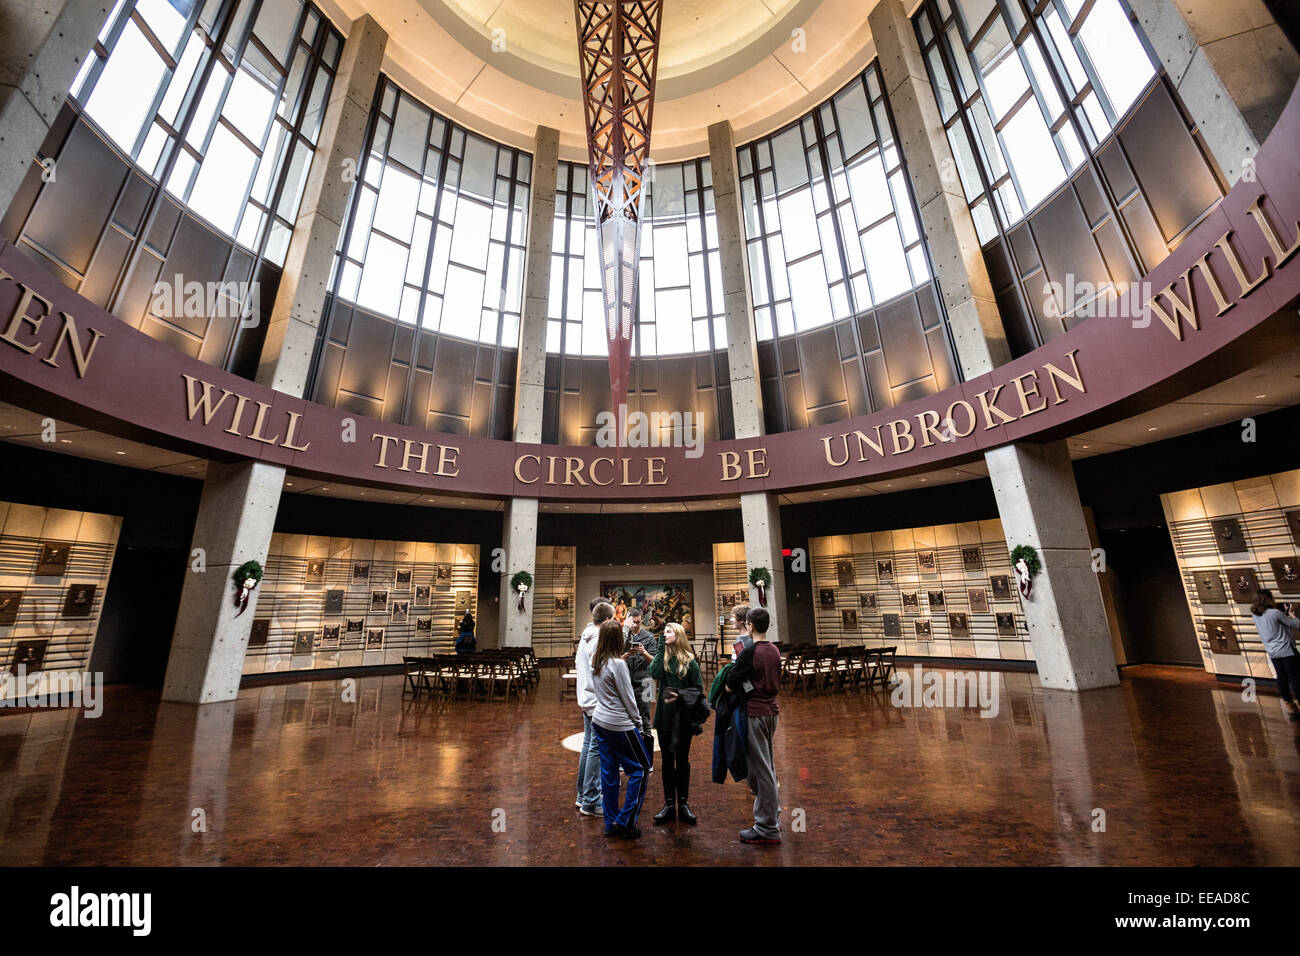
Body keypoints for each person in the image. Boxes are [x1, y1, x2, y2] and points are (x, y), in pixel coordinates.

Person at [591, 619, 651, 838]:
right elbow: (629, 699)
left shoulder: (596, 659)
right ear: (618, 639)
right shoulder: (618, 664)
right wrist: (638, 723)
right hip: (620, 724)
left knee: (609, 774)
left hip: (600, 721)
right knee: (641, 769)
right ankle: (626, 822)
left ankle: (611, 823)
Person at [727, 607, 781, 844]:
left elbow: (730, 685)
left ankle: (767, 826)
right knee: (767, 764)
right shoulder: (774, 649)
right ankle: (772, 812)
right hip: (771, 711)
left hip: (755, 713)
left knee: (760, 770)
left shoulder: (750, 652)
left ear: (749, 626)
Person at [648, 622, 704, 824]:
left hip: (683, 722)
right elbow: (653, 673)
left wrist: (680, 696)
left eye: (669, 631)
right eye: (664, 632)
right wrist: (661, 646)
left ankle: (684, 803)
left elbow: (698, 691)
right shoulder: (662, 660)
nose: (665, 633)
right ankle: (669, 804)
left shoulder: (690, 662)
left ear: (678, 635)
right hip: (664, 720)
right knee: (666, 762)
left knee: (682, 762)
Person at [575, 599, 614, 816]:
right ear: (607, 619)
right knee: (596, 749)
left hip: (586, 698)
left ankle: (582, 796)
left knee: (589, 746)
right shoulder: (597, 639)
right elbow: (599, 669)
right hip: (596, 701)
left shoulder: (585, 635)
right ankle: (591, 800)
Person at [1250, 589, 1300, 719]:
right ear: (1268, 599)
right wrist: (1291, 614)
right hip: (1287, 650)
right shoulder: (1275, 613)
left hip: (1273, 651)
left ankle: (1290, 707)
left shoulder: (1256, 615)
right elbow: (1296, 624)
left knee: (1281, 677)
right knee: (1296, 678)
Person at [623, 607, 657, 768]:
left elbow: (655, 662)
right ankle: (628, 760)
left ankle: (647, 761)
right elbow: (615, 660)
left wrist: (643, 652)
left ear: (642, 620)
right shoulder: (623, 637)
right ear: (628, 619)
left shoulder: (648, 637)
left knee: (645, 719)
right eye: (633, 622)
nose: (635, 626)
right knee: (627, 719)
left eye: (638, 622)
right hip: (627, 683)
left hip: (647, 682)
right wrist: (628, 654)